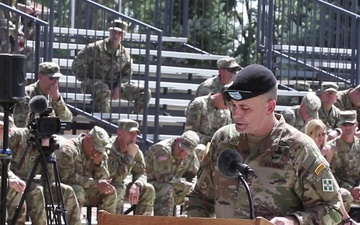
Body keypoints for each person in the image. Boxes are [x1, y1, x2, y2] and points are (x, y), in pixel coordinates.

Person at [182, 64, 342, 225]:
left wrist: (293, 221)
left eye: (245, 108)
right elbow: (199, 199)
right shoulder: (223, 139)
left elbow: (333, 210)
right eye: (234, 106)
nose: (236, 114)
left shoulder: (299, 148)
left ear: (270, 107)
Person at [0, 116, 80, 225]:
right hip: (12, 182)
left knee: (67, 191)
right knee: (29, 190)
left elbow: (49, 177)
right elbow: (4, 168)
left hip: (30, 183)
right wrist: (13, 179)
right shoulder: (17, 137)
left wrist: (47, 149)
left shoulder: (46, 142)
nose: (6, 131)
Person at [71, 19, 151, 113]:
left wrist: (119, 87)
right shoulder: (95, 48)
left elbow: (127, 74)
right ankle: (104, 125)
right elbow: (76, 65)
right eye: (114, 32)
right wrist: (87, 80)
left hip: (114, 86)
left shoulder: (124, 54)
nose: (116, 35)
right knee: (103, 89)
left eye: (119, 33)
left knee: (145, 92)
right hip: (93, 86)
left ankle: (133, 126)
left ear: (123, 35)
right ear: (109, 32)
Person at [55, 126, 117, 214]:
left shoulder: (99, 154)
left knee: (110, 192)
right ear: (88, 138)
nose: (97, 152)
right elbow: (67, 177)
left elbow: (104, 179)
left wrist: (98, 165)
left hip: (87, 190)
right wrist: (95, 183)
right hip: (65, 189)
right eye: (95, 148)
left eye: (99, 150)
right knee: (78, 191)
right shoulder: (69, 150)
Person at [145, 130, 200, 216]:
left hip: (174, 187)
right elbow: (164, 178)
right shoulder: (162, 149)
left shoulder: (191, 156)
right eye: (181, 148)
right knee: (167, 188)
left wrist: (193, 186)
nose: (182, 153)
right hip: (151, 184)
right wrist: (185, 186)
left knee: (200, 194)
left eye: (186, 151)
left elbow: (194, 175)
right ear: (177, 140)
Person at [106, 119, 155, 215]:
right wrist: (130, 156)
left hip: (121, 187)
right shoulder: (109, 149)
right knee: (118, 187)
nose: (133, 138)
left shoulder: (135, 150)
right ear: (119, 133)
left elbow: (141, 173)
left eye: (135, 134)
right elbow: (115, 179)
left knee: (148, 189)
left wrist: (137, 185)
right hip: (105, 188)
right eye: (130, 133)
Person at [13, 62, 73, 127]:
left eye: (57, 78)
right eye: (52, 78)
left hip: (49, 135)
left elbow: (67, 119)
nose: (55, 82)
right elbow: (19, 124)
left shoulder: (54, 96)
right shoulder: (26, 94)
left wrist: (57, 100)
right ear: (41, 77)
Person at [0, 113, 27, 225]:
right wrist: (7, 182)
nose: (2, 132)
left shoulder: (3, 145)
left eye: (4, 129)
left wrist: (14, 179)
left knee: (18, 192)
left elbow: (5, 170)